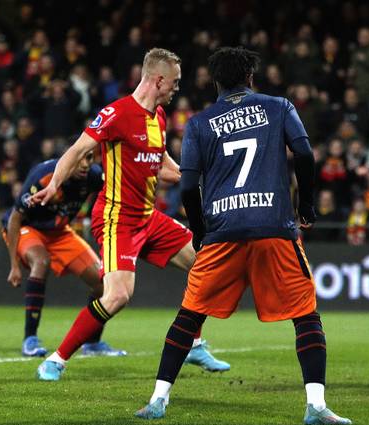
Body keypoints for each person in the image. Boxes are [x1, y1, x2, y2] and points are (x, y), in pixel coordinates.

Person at [134, 47, 351, 425]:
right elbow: (304, 153)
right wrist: (308, 207)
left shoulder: (200, 123)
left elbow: (187, 188)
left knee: (189, 316)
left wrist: (202, 234)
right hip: (274, 228)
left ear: (215, 82)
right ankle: (316, 406)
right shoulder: (279, 106)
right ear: (250, 78)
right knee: (305, 316)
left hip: (222, 233)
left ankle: (157, 399)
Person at [31, 48, 229, 381]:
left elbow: (162, 166)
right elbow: (77, 150)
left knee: (206, 264)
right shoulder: (117, 113)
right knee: (118, 296)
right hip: (116, 217)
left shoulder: (160, 118)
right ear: (159, 79)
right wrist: (53, 186)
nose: (178, 89)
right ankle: (57, 358)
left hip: (148, 217)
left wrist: (198, 177)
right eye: (175, 82)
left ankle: (193, 341)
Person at [4, 154, 125, 357]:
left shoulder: (94, 176)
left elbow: (115, 196)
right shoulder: (43, 176)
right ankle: (30, 339)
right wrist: (14, 265)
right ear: (68, 159)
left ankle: (92, 343)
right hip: (28, 228)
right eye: (80, 159)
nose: (86, 164)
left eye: (89, 158)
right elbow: (15, 218)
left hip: (60, 232)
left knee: (103, 282)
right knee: (41, 261)